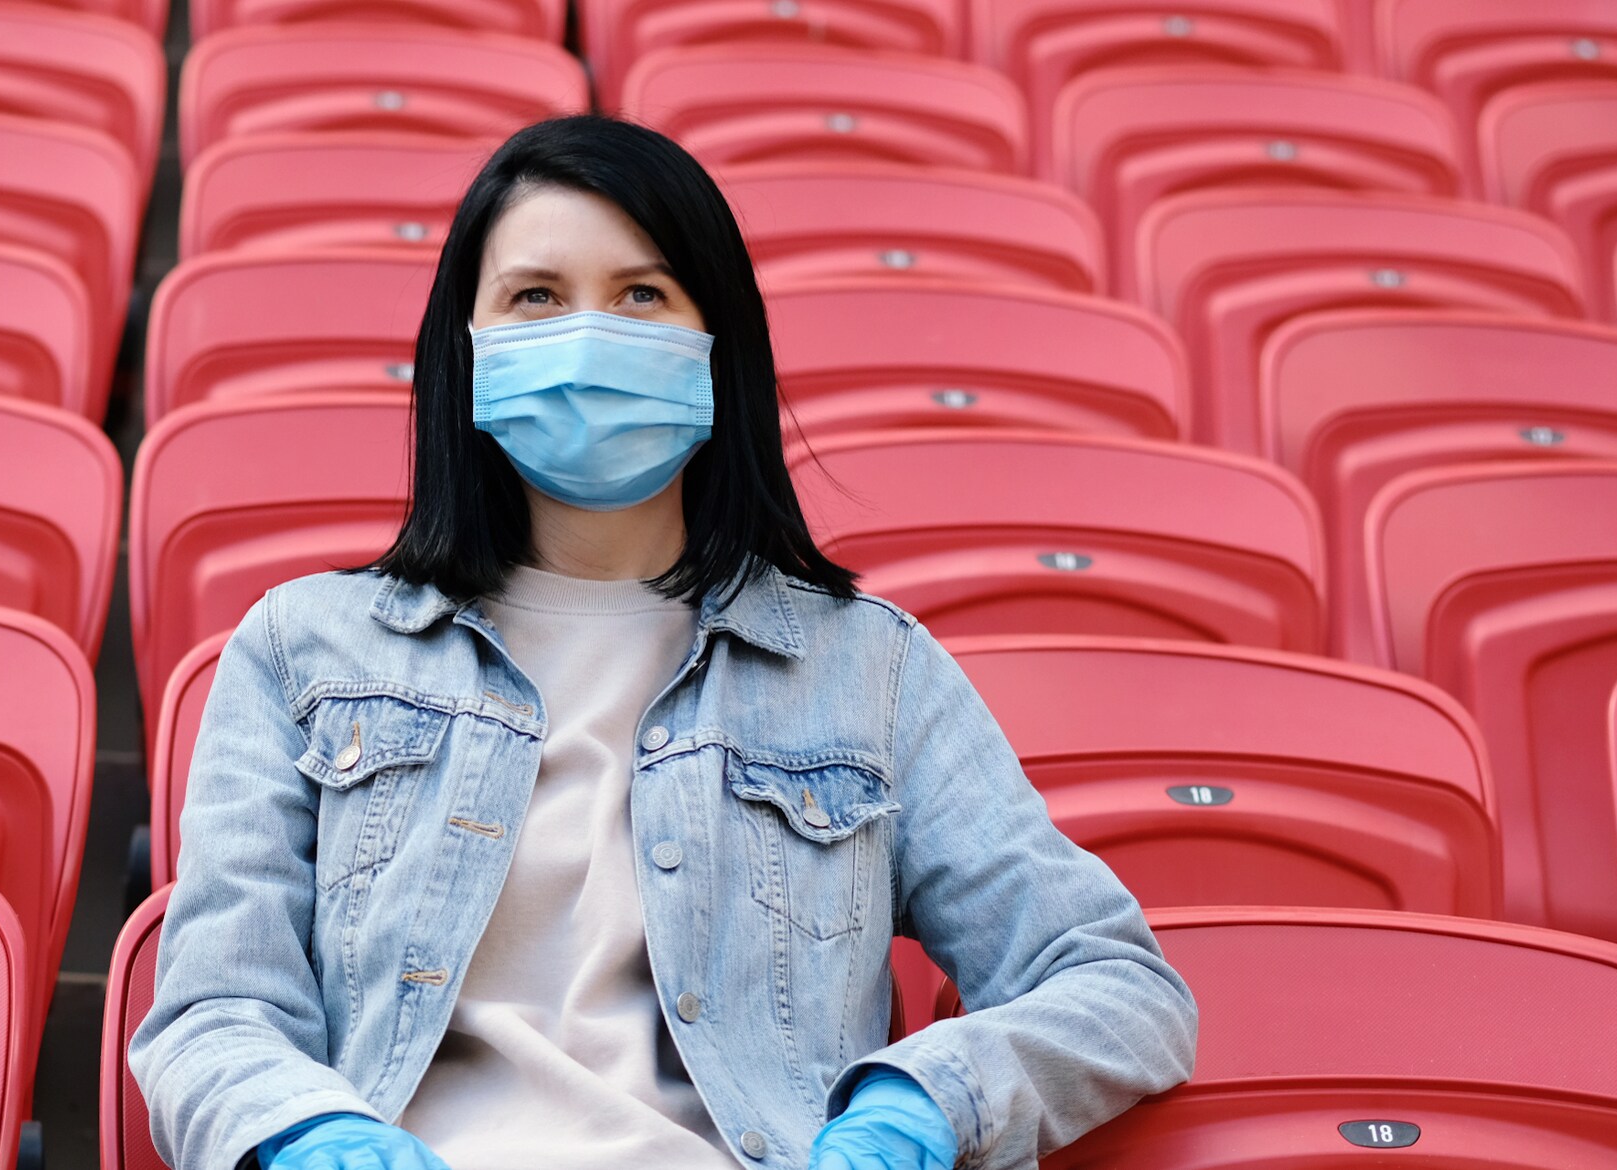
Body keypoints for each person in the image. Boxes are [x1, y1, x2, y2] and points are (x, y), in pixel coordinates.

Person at [129, 114, 1197, 1170]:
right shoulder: (299, 649)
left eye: (641, 294)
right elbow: (213, 1014)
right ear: (469, 347)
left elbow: (1114, 988)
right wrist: (315, 1135)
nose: (589, 337)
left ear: (713, 343)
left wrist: (922, 1105)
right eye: (535, 297)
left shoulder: (870, 672)